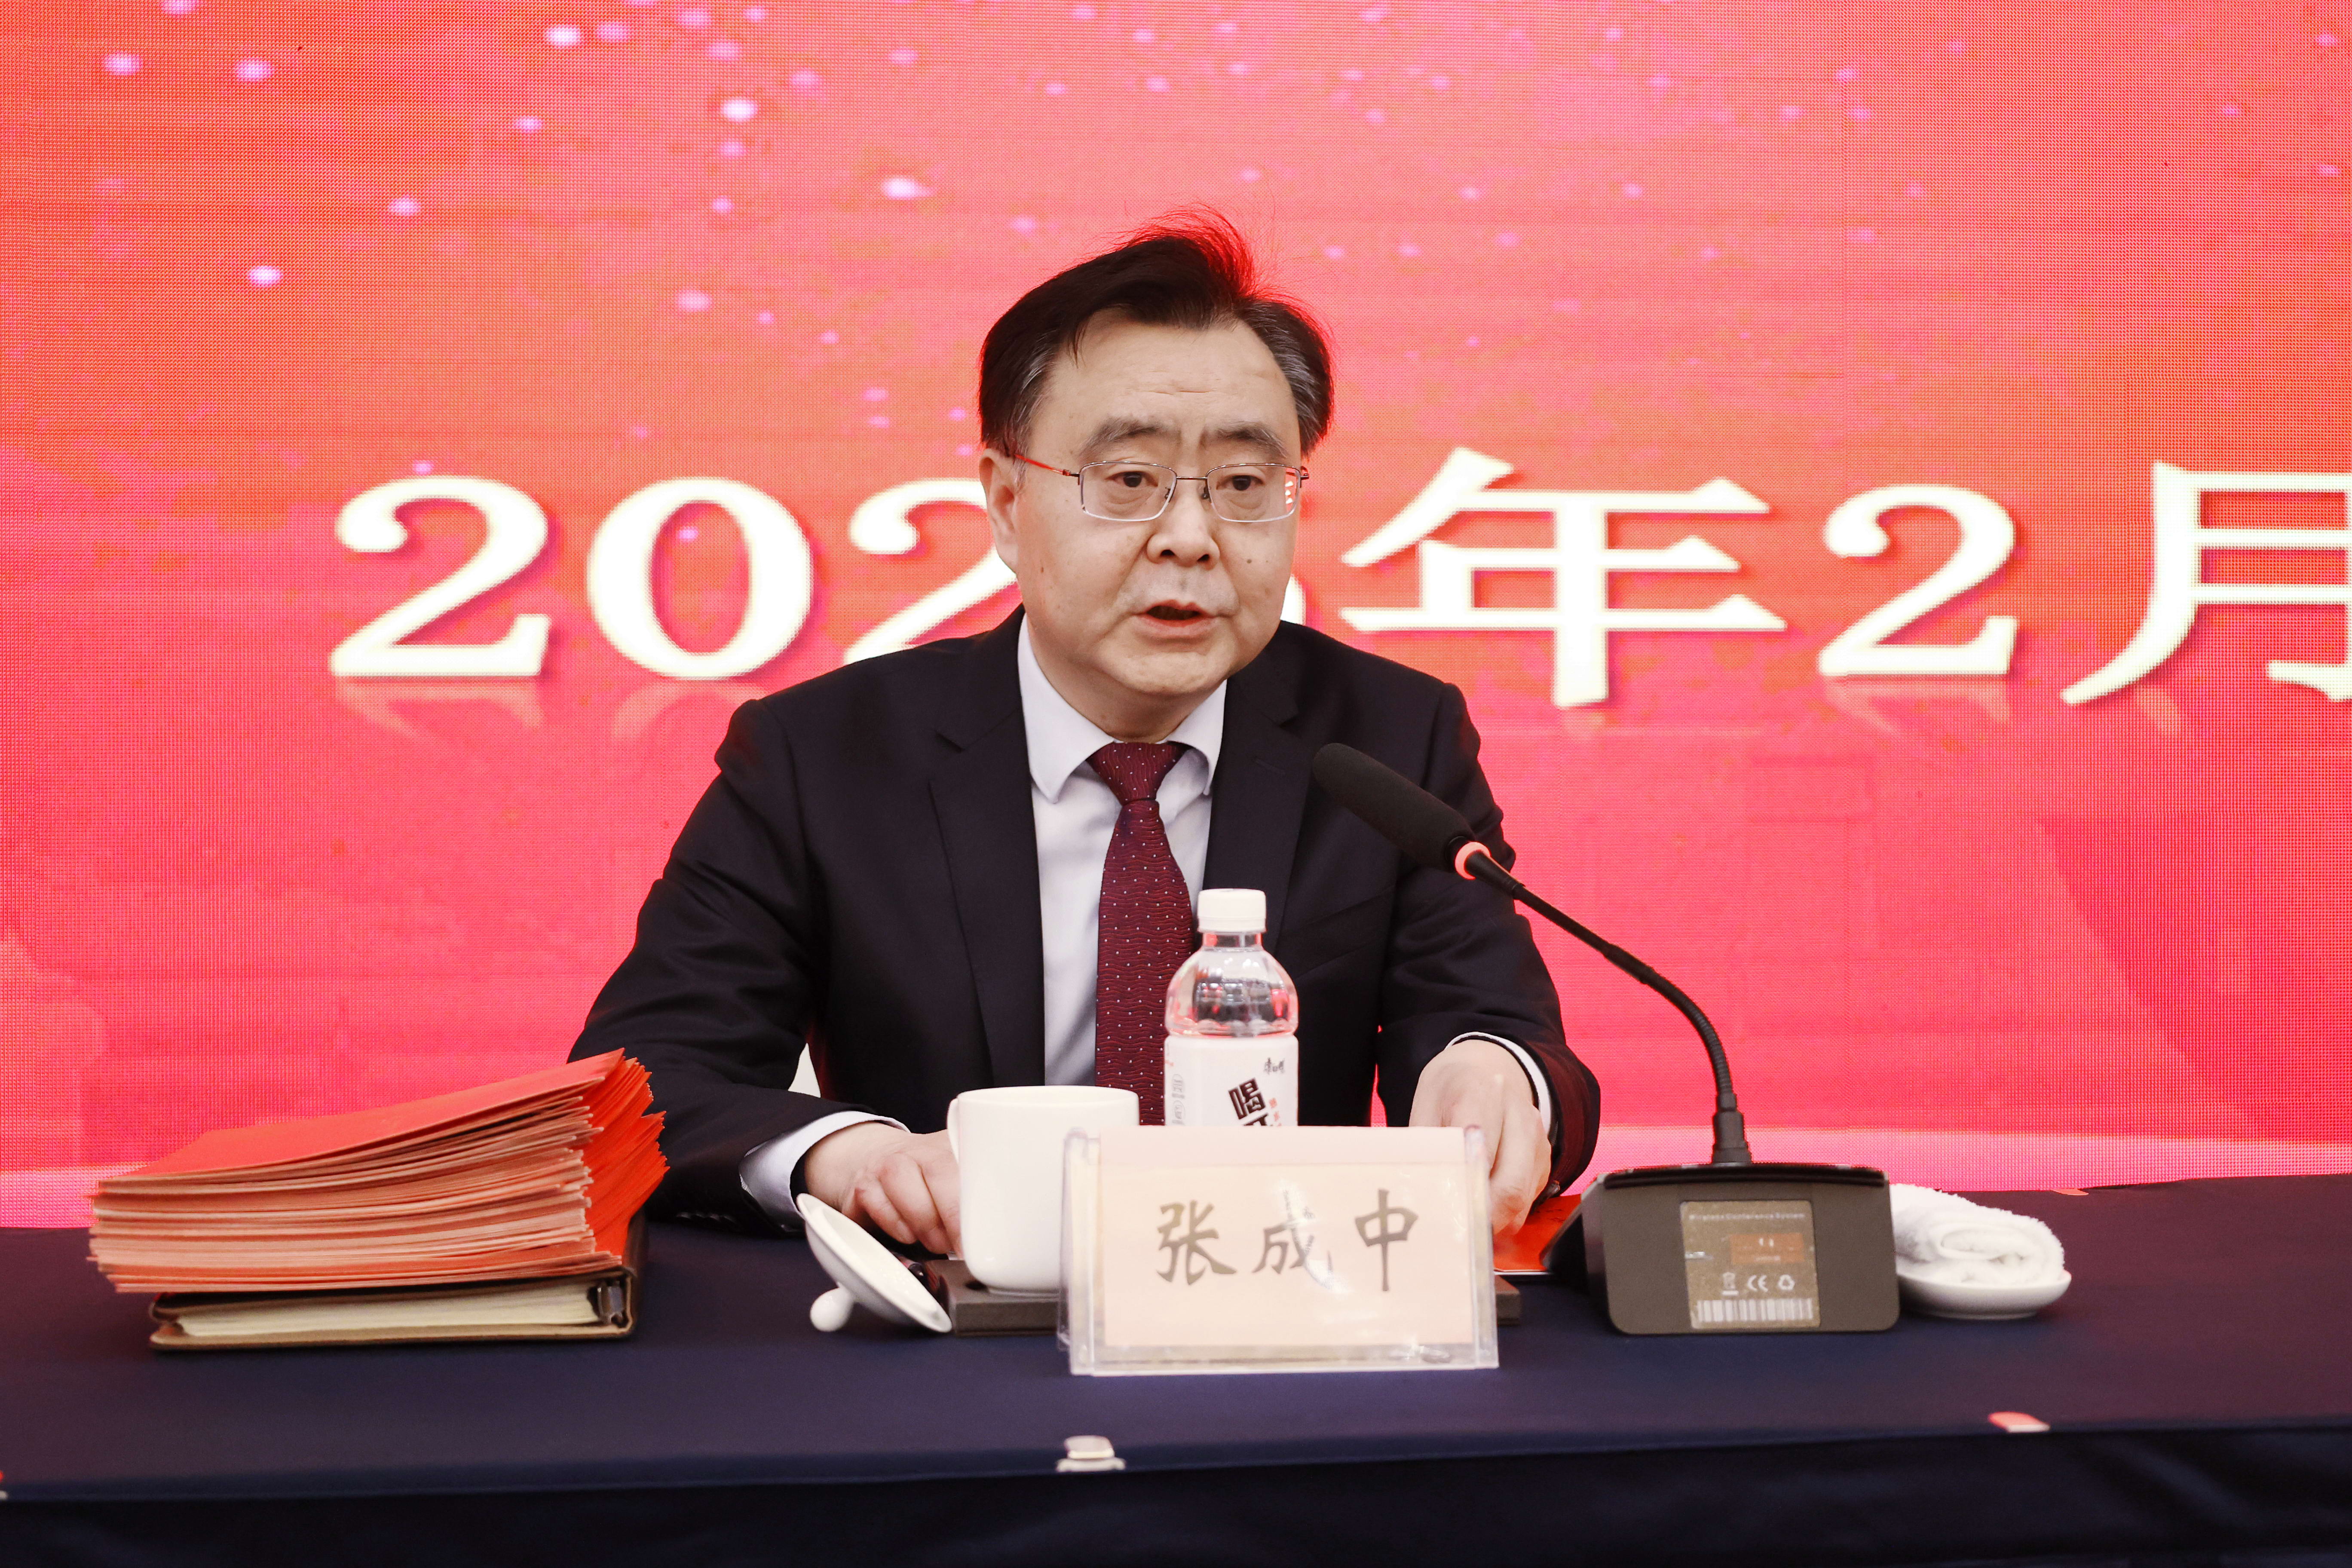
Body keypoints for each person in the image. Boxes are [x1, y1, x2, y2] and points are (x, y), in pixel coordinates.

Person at [571, 211, 1597, 1254]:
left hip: (1278, 1298)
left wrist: (1496, 1072)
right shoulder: (822, 756)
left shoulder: (1389, 740)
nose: (1190, 538)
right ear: (1006, 502)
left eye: (1245, 486)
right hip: (953, 1311)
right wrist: (853, 1156)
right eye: (1129, 481)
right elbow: (643, 1082)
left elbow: (1504, 1031)